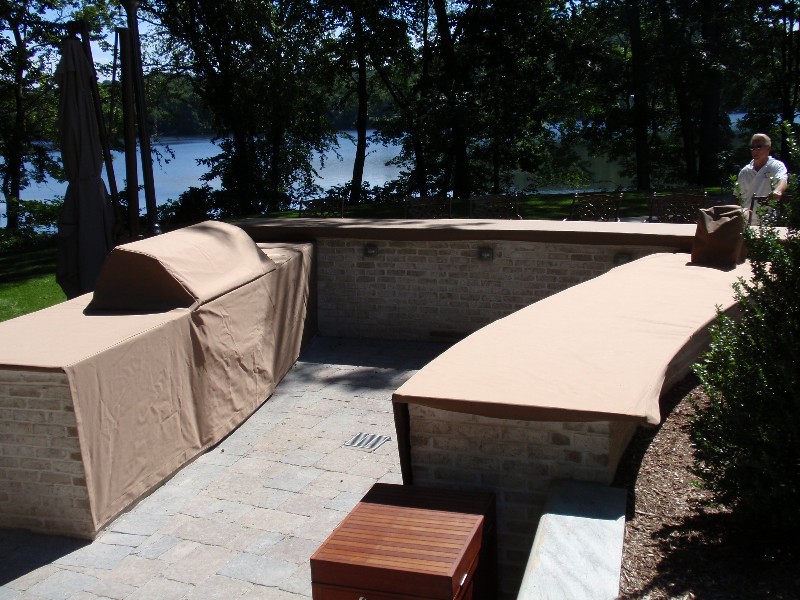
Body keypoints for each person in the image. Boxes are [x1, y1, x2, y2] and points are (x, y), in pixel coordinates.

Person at [736, 133, 789, 224]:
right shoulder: (745, 171)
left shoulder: (776, 166)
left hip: (768, 220)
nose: (755, 150)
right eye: (752, 147)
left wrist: (778, 191)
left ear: (768, 148)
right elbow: (737, 195)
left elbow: (783, 179)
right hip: (746, 221)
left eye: (759, 147)